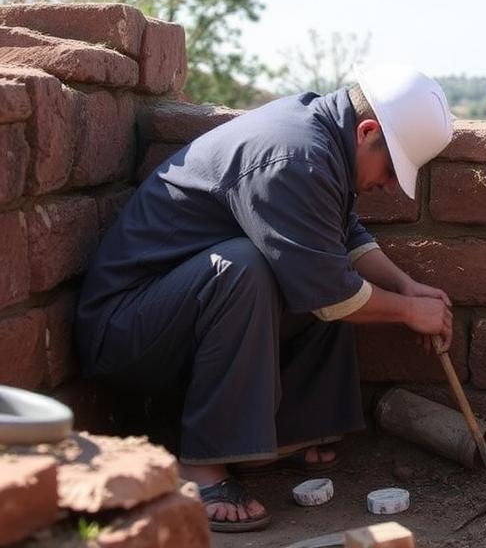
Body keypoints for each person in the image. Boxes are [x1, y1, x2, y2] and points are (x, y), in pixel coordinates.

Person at [74, 64, 455, 533]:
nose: (390, 185)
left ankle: (283, 436)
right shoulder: (295, 157)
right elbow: (333, 295)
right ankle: (202, 467)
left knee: (307, 264)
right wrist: (409, 312)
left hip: (176, 316)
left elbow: (340, 235)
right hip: (127, 331)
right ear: (367, 130)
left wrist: (403, 286)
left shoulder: (323, 139)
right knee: (248, 268)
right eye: (392, 168)